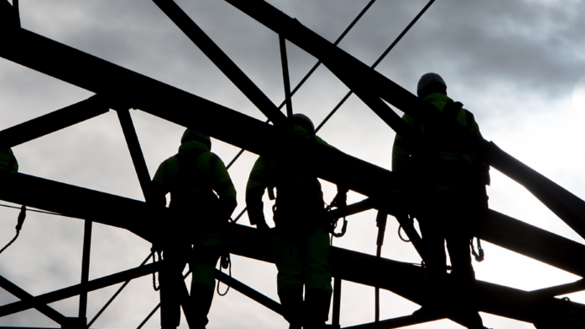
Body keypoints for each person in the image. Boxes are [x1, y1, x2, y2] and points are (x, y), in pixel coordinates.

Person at [392, 73, 489, 328]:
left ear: (421, 92)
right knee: (461, 257)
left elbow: (401, 152)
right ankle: (470, 309)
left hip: (430, 196)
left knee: (434, 255)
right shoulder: (466, 117)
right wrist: (481, 200)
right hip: (461, 199)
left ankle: (435, 302)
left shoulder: (414, 113)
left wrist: (401, 189)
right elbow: (481, 160)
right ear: (444, 90)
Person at [246, 114, 338, 329]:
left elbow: (253, 189)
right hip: (314, 216)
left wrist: (259, 222)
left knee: (289, 271)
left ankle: (295, 317)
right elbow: (341, 165)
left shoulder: (273, 148)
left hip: (286, 217)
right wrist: (341, 196)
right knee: (317, 269)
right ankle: (315, 320)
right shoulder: (313, 142)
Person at [152, 128, 237, 329]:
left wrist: (161, 226)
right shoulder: (211, 161)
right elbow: (229, 197)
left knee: (171, 269)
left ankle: (169, 323)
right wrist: (216, 221)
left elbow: (154, 197)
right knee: (204, 269)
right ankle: (197, 317)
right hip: (207, 226)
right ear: (207, 143)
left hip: (176, 226)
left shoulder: (168, 164)